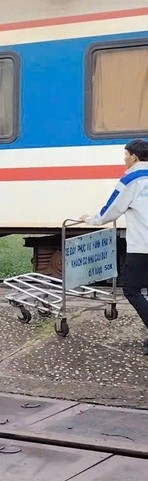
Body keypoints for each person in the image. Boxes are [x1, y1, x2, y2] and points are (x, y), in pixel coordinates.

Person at [80, 138, 148, 355]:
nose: (124, 159)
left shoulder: (130, 180)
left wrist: (89, 219)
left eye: (125, 155)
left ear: (134, 157)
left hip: (142, 245)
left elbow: (110, 211)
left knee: (131, 289)